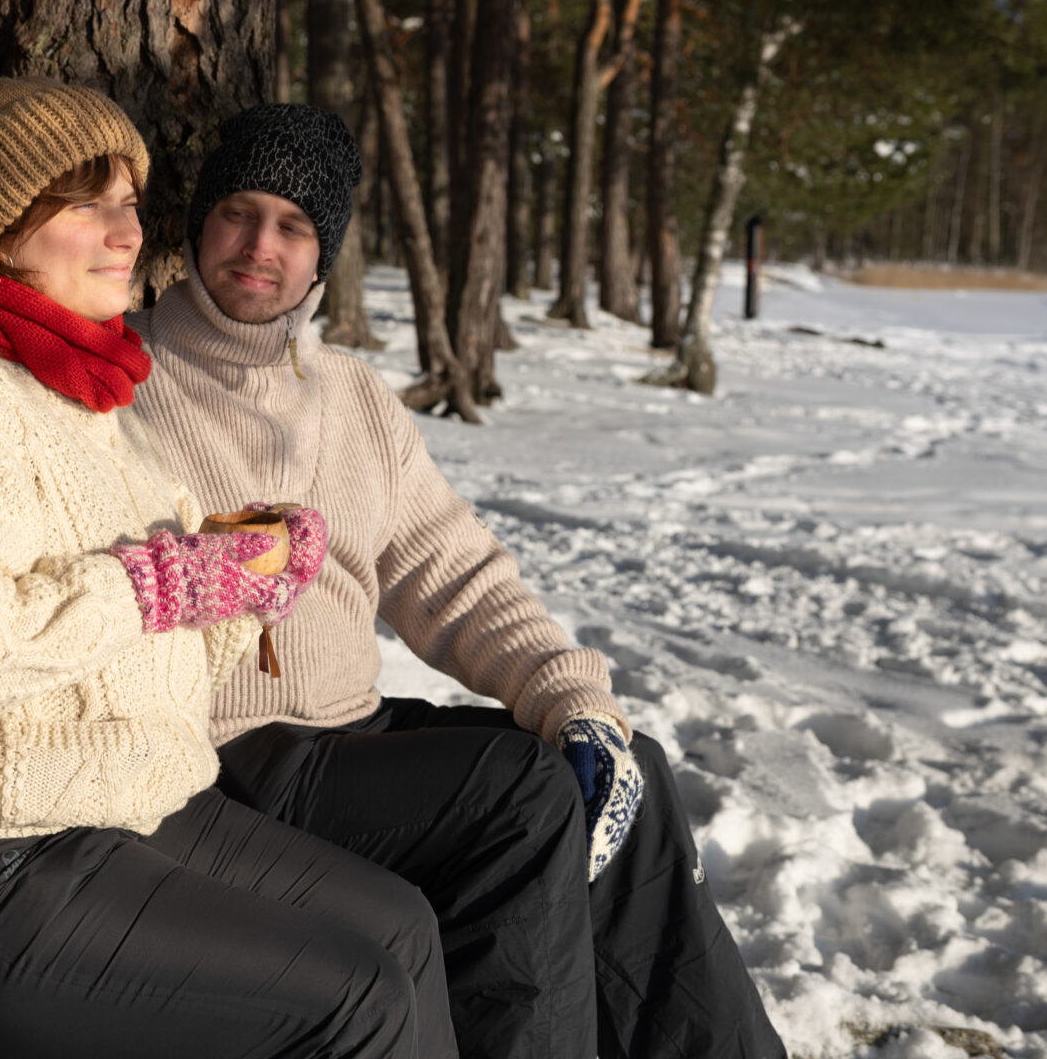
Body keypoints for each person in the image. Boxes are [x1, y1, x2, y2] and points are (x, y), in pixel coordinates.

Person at [0, 77, 460, 1059]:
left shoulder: (75, 394)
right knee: (352, 998)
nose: (126, 232)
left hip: (102, 796)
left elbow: (140, 633)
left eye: (131, 204)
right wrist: (158, 581)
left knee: (402, 925)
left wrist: (238, 579)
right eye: (85, 203)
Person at [129, 103, 787, 1059]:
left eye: (295, 226)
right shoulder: (119, 375)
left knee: (625, 777)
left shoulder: (353, 397)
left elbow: (455, 572)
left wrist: (572, 700)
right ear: (198, 222)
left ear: (325, 258)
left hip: (343, 740)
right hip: (224, 757)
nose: (258, 246)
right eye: (239, 211)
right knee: (513, 795)